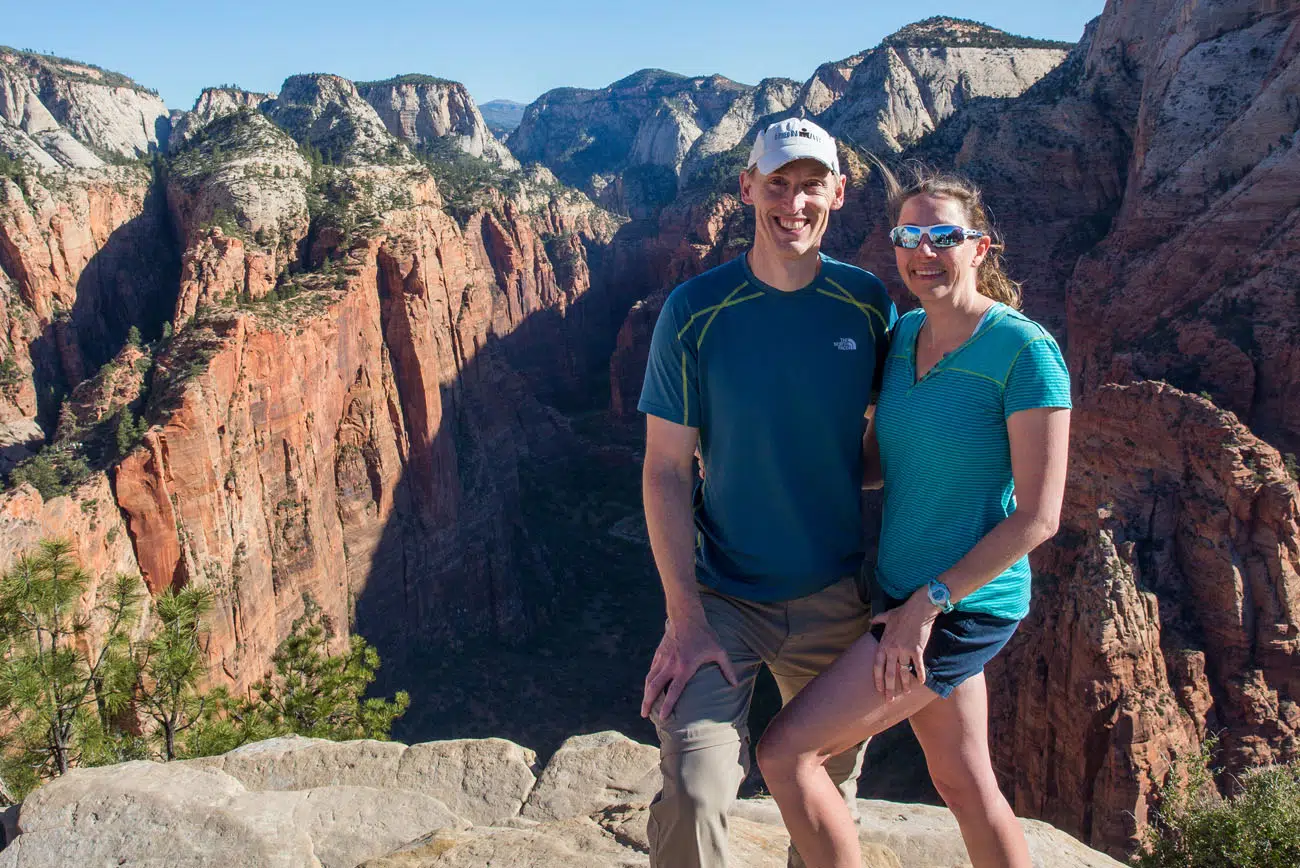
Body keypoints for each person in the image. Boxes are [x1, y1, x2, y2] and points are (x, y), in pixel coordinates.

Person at [754, 164, 1072, 868]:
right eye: (909, 235)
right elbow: (878, 464)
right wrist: (768, 462)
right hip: (903, 591)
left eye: (943, 235)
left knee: (786, 753)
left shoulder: (1024, 351)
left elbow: (1039, 518)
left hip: (959, 605)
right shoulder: (902, 340)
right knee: (962, 782)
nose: (924, 252)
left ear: (979, 248)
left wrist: (926, 606)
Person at [636, 117, 897, 868]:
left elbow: (893, 443)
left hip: (838, 602)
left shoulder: (867, 304)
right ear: (746, 188)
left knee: (821, 803)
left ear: (839, 194)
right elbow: (663, 469)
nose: (794, 202)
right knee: (694, 787)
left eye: (812, 184)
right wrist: (683, 621)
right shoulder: (695, 311)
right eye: (777, 184)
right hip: (722, 601)